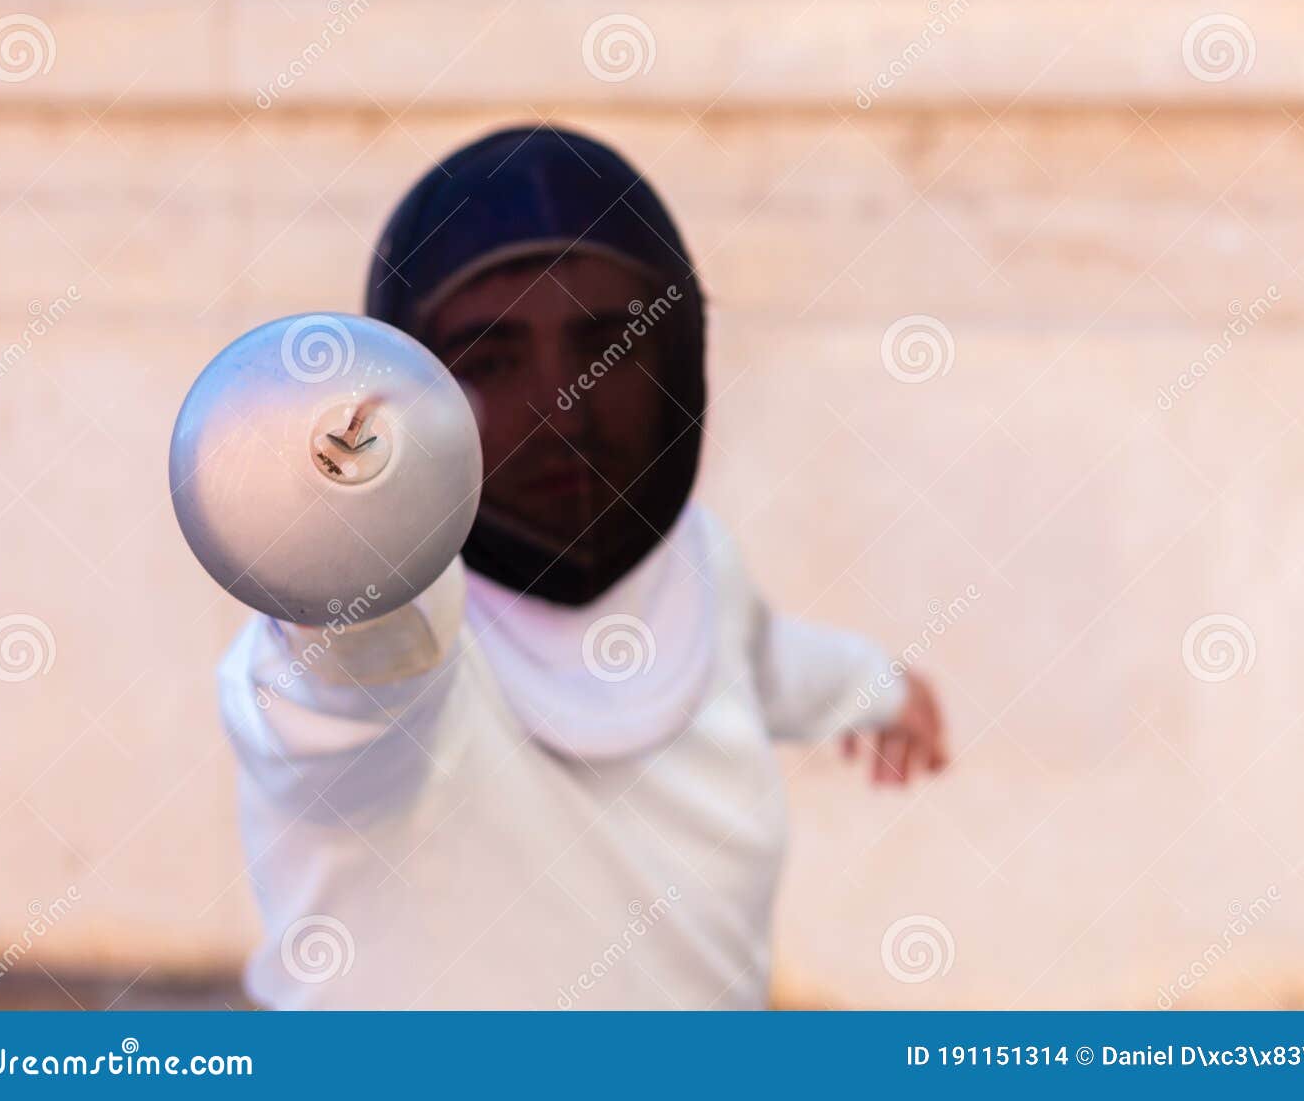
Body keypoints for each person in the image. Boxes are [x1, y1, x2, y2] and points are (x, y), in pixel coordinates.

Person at [216, 125, 947, 1009]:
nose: (564, 411)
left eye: (609, 344)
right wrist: (336, 539)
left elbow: (763, 658)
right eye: (490, 360)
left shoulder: (696, 562)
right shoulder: (384, 642)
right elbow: (341, 684)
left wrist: (883, 689)